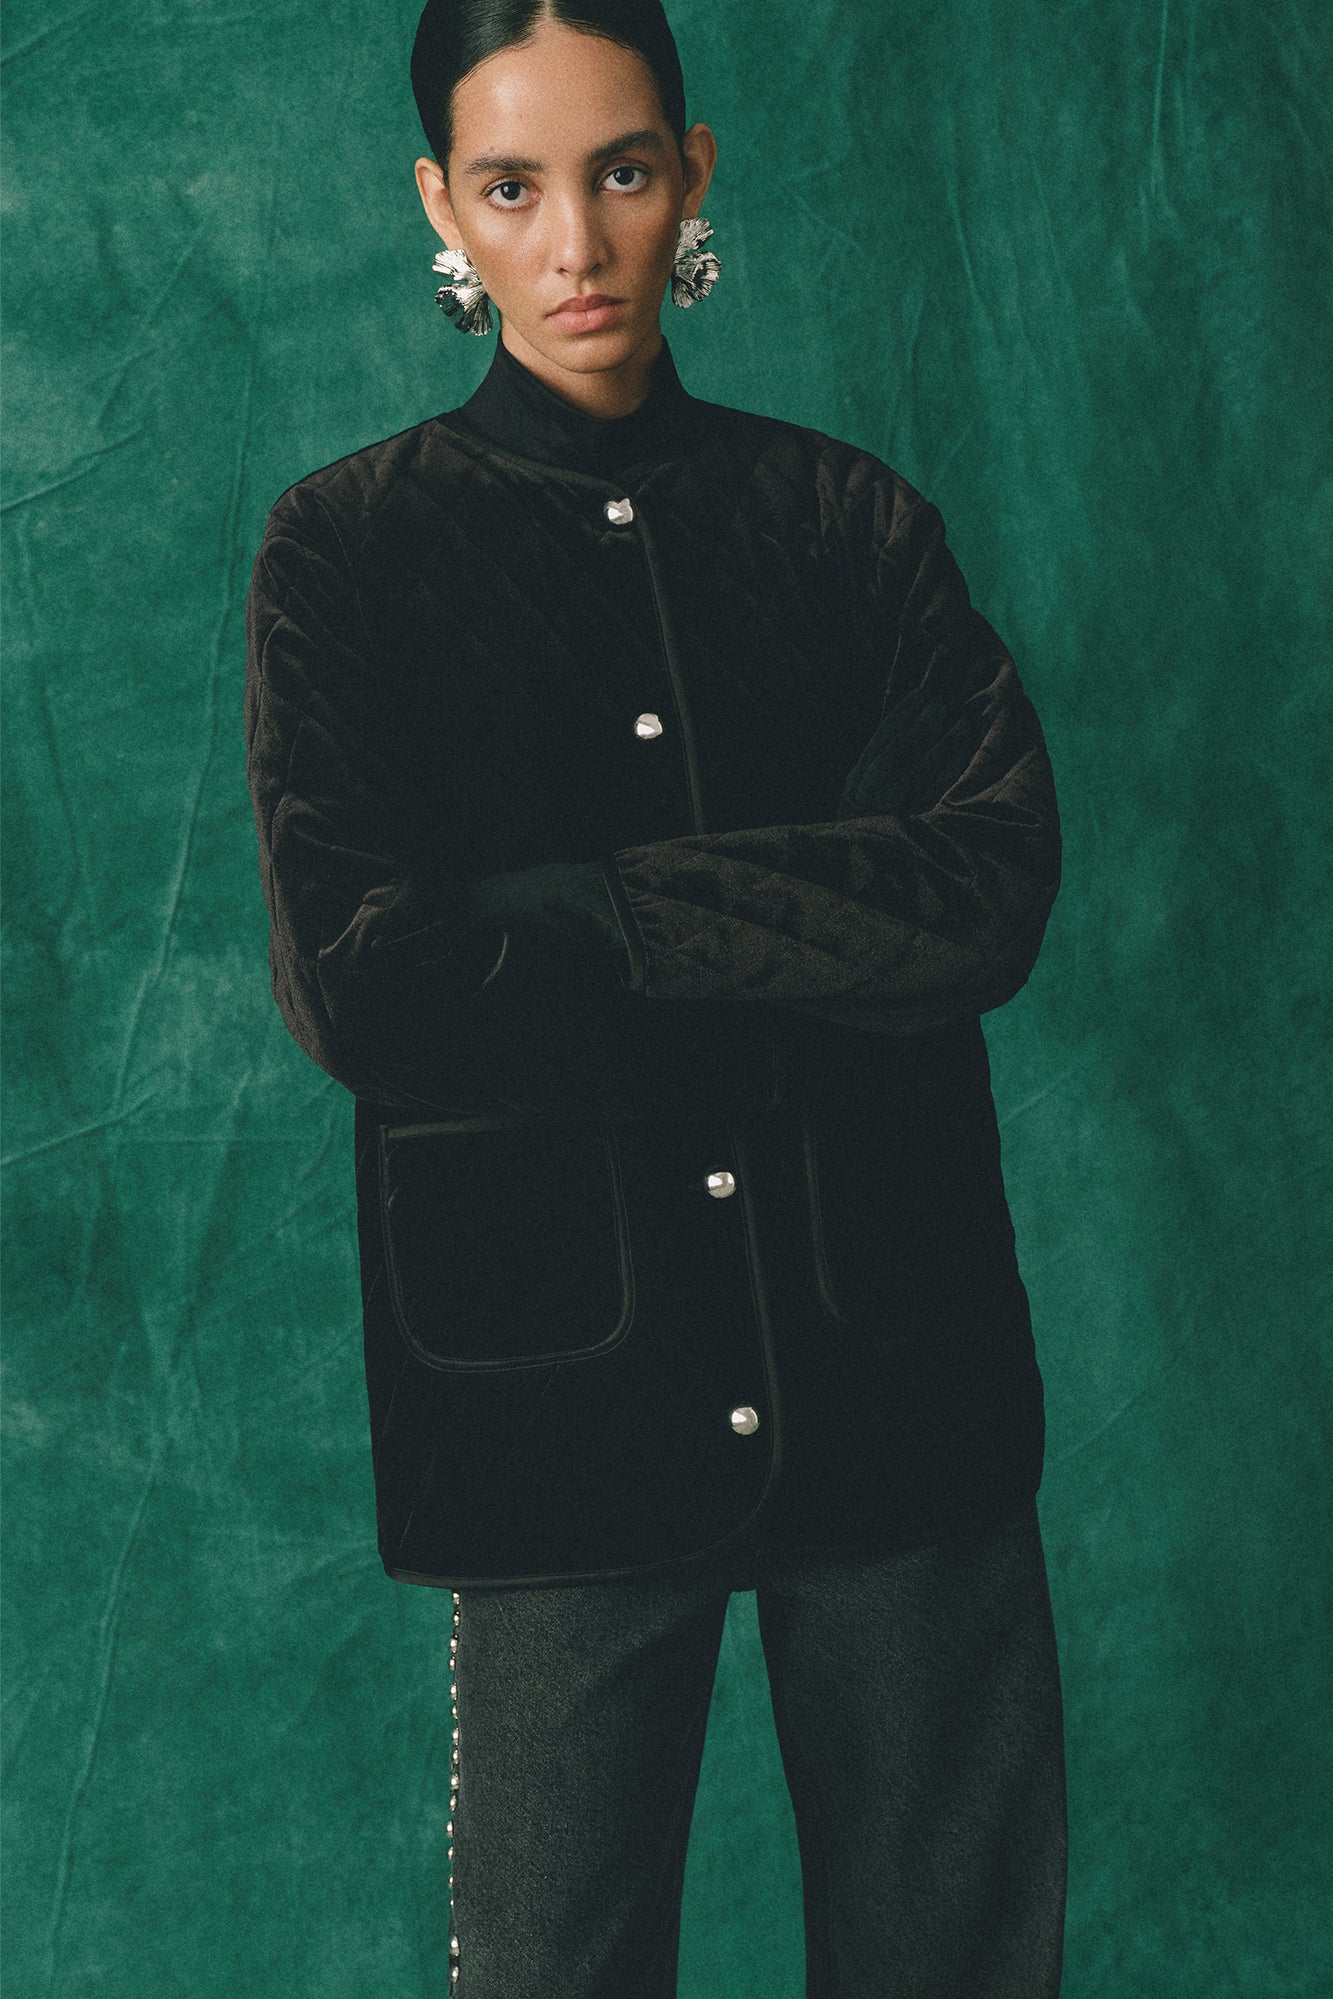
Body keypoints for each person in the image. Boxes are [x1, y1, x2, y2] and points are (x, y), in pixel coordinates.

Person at [243, 1, 1068, 1991]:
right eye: (511, 186)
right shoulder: (347, 554)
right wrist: (801, 921)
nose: (575, 244)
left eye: (618, 172)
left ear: (691, 171)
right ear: (440, 207)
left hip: (897, 1366)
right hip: (551, 1400)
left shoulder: (847, 525)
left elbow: (980, 892)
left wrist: (590, 910)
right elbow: (370, 986)